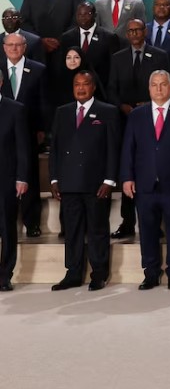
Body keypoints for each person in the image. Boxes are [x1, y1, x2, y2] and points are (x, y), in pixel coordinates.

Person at [119, 71, 170, 290]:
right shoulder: (137, 115)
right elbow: (128, 148)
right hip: (145, 184)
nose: (158, 89)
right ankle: (151, 273)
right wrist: (127, 177)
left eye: (163, 85)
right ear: (149, 88)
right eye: (154, 85)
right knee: (147, 230)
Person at [48, 69, 119, 290]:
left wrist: (109, 180)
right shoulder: (62, 112)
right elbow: (55, 149)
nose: (80, 88)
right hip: (68, 183)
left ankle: (99, 273)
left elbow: (113, 149)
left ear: (94, 87)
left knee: (97, 229)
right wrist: (53, 179)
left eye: (85, 84)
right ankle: (73, 273)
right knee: (72, 230)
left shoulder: (107, 112)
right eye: (77, 84)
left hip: (96, 183)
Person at [107, 19, 170, 240]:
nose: (134, 33)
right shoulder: (117, 58)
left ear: (146, 32)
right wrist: (123, 107)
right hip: (126, 121)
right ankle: (127, 221)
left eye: (138, 30)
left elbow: (167, 85)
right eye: (130, 30)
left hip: (154, 119)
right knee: (129, 169)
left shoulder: (160, 55)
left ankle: (157, 222)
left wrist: (149, 106)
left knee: (153, 167)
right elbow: (111, 89)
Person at [2, 34, 46, 237]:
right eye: (9, 45)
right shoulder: (0, 70)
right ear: (3, 47)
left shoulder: (38, 69)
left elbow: (43, 103)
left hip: (28, 131)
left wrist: (41, 129)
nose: (13, 48)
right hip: (3, 134)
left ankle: (32, 222)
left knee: (30, 176)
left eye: (17, 45)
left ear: (25, 47)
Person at [0, 72, 30, 292]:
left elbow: (23, 148)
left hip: (6, 180)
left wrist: (22, 177)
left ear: (1, 82)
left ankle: (4, 275)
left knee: (7, 228)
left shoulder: (15, 109)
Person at [63, 2, 122, 90]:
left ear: (95, 15)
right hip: (72, 90)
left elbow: (114, 69)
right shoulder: (66, 38)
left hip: (101, 89)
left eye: (87, 14)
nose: (83, 17)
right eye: (80, 14)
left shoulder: (109, 37)